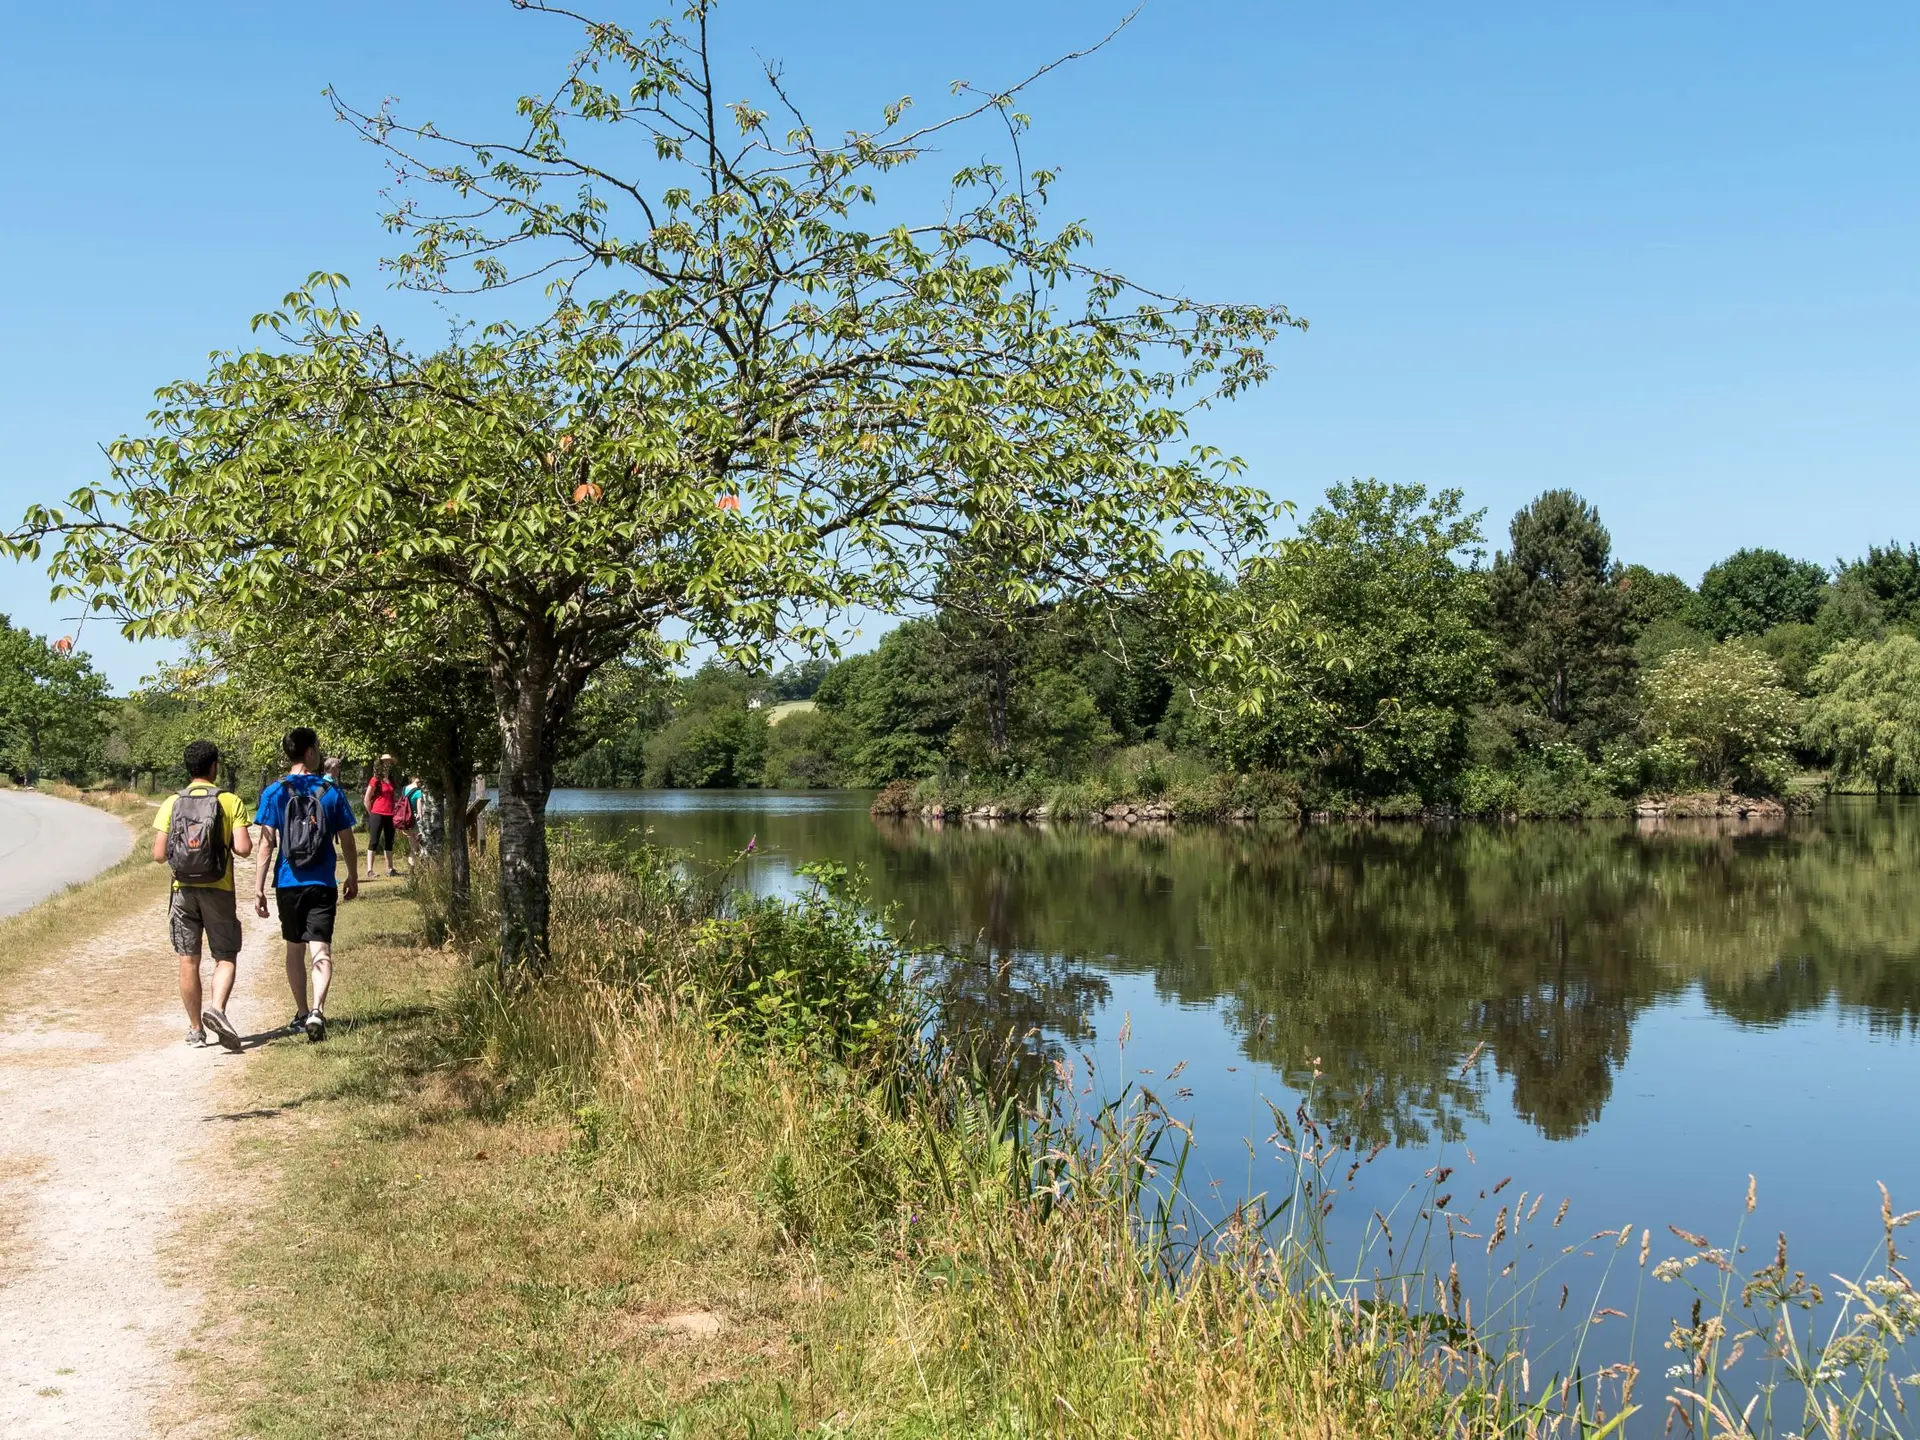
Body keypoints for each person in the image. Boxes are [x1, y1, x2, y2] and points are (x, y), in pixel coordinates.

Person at [253, 727, 359, 1042]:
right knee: (321, 946)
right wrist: (352, 875)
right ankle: (317, 1009)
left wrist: (258, 887)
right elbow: (347, 840)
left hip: (288, 881)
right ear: (310, 752)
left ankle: (301, 1014)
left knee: (294, 948)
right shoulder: (330, 791)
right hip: (323, 880)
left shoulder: (274, 792)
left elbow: (266, 844)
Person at [151, 739, 253, 1050]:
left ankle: (196, 1029)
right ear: (213, 767)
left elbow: (157, 854)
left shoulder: (172, 803)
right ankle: (217, 1009)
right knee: (225, 955)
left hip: (183, 891)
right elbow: (244, 849)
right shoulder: (230, 801)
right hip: (219, 888)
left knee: (188, 959)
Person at [363, 754, 400, 880]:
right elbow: (367, 799)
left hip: (390, 814)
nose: (387, 764)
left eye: (389, 762)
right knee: (374, 841)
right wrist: (371, 813)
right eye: (385, 762)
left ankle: (390, 868)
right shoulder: (375, 779)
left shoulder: (391, 779)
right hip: (377, 813)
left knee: (389, 841)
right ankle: (370, 870)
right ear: (381, 764)